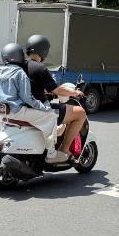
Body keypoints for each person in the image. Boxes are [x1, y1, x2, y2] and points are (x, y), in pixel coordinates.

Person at [0, 43, 63, 163]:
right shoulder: (20, 73)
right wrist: (43, 107)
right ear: (19, 56)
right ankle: (51, 152)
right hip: (18, 111)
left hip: (2, 113)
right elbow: (28, 98)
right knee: (51, 116)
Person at [25, 34, 88, 163]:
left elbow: (33, 86)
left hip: (23, 109)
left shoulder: (21, 66)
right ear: (44, 51)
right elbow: (57, 90)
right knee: (80, 113)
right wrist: (74, 92)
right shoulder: (40, 68)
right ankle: (64, 150)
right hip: (40, 110)